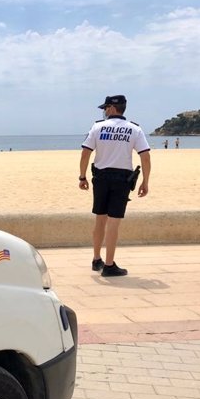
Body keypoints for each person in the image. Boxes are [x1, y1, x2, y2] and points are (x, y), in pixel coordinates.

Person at [79, 95, 151, 277]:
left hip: (101, 178)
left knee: (100, 219)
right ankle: (109, 265)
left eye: (105, 108)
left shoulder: (97, 127)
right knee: (113, 223)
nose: (104, 111)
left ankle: (96, 259)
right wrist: (145, 181)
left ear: (111, 109)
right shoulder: (135, 129)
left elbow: (85, 153)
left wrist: (82, 176)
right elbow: (145, 156)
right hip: (121, 180)